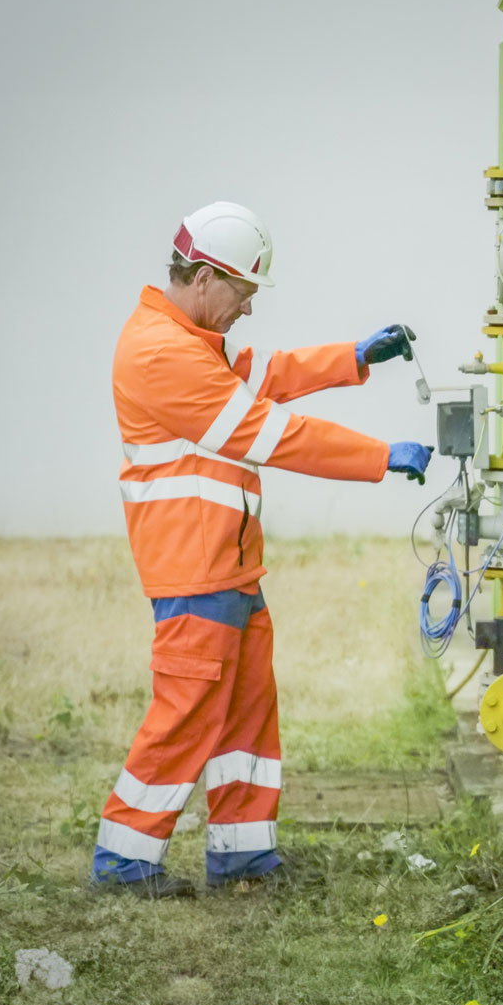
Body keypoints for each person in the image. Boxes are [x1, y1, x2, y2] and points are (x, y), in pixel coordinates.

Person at [93, 200, 432, 897]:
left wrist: (354, 358)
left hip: (229, 564)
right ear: (207, 277)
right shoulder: (161, 353)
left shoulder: (187, 341)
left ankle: (243, 855)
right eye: (243, 294)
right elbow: (271, 432)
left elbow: (266, 373)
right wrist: (380, 456)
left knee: (247, 712)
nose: (247, 309)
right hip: (194, 566)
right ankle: (124, 860)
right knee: (187, 712)